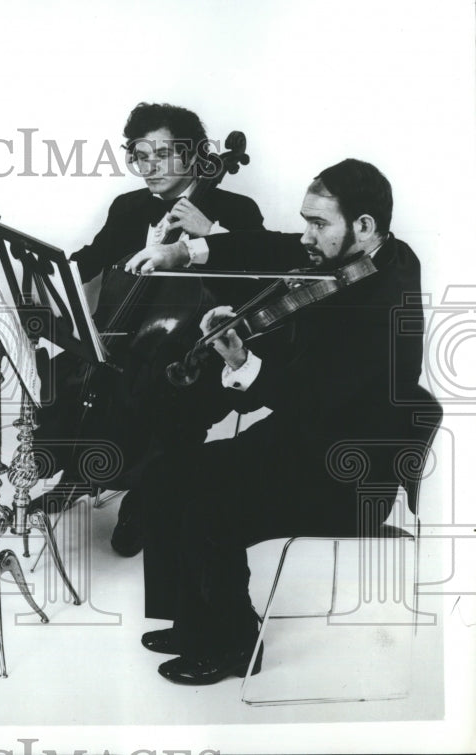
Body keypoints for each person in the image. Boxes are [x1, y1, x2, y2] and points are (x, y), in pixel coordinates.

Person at [119, 158, 424, 684]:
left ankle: (235, 644)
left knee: (209, 505)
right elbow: (273, 245)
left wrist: (243, 363)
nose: (306, 235)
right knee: (165, 475)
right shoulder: (365, 255)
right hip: (303, 442)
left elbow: (317, 398)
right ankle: (193, 621)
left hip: (348, 472)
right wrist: (183, 250)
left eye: (319, 223)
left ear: (366, 226)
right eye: (307, 219)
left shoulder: (381, 302)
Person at [30, 102, 266, 514]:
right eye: (140, 156)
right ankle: (76, 474)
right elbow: (90, 259)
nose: (149, 167)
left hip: (192, 358)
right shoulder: (128, 207)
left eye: (161, 154)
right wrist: (42, 270)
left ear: (192, 154)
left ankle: (150, 495)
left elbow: (256, 286)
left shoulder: (237, 211)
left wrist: (210, 234)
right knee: (62, 379)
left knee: (165, 405)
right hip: (122, 339)